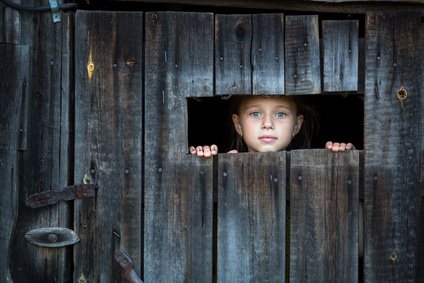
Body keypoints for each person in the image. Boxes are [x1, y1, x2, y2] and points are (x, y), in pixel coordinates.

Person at [189, 95, 355, 157]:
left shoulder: (310, 170)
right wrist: (209, 164)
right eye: (255, 114)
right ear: (238, 125)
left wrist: (345, 159)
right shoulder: (228, 162)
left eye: (280, 114)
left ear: (297, 125)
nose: (267, 124)